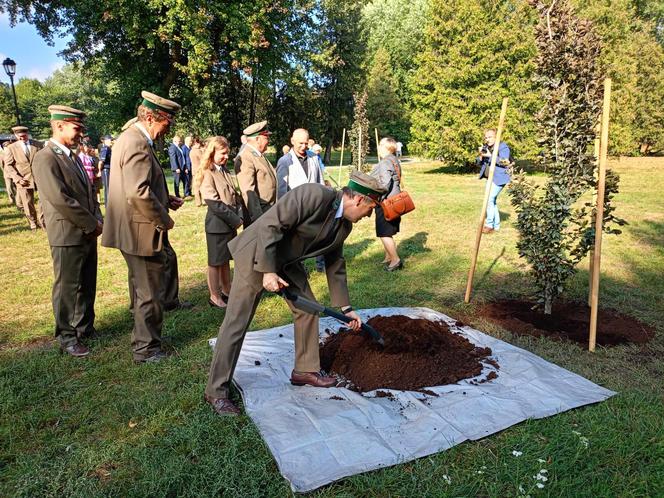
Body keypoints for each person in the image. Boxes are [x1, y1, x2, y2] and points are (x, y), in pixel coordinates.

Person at [204, 171, 386, 416]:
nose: (368, 216)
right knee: (237, 321)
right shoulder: (313, 195)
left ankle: (305, 370)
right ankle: (216, 391)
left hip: (286, 261)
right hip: (258, 253)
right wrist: (267, 271)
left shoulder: (344, 226)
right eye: (371, 209)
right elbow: (270, 225)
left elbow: (335, 263)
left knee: (308, 309)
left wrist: (346, 307)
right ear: (359, 200)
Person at [101, 91, 185, 363]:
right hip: (141, 230)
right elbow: (138, 193)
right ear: (150, 117)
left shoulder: (130, 139)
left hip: (132, 226)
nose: (167, 130)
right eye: (166, 124)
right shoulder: (137, 142)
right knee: (150, 292)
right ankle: (146, 350)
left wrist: (164, 198)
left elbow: (136, 185)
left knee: (143, 288)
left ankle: (145, 340)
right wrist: (163, 218)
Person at [32, 105, 103, 357]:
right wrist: (91, 223)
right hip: (67, 234)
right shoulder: (46, 157)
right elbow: (60, 199)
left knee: (86, 282)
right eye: (76, 128)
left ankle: (84, 327)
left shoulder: (71, 156)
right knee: (67, 287)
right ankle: (66, 335)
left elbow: (88, 193)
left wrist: (96, 216)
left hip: (85, 231)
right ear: (59, 125)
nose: (80, 134)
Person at [198, 136, 244, 309]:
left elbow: (234, 196)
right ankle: (215, 297)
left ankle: (227, 290)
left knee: (225, 260)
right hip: (217, 226)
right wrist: (236, 220)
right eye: (223, 153)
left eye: (227, 153)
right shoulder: (207, 172)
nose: (226, 156)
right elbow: (214, 203)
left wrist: (239, 212)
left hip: (229, 224)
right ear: (212, 152)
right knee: (215, 262)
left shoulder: (223, 170)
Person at [277, 128, 327, 272]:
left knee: (319, 236)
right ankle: (300, 268)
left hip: (315, 207)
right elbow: (282, 189)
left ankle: (321, 265)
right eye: (300, 143)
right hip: (295, 209)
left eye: (306, 143)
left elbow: (320, 181)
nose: (303, 146)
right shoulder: (284, 161)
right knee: (297, 241)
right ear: (292, 141)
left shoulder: (313, 158)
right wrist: (284, 211)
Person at [370, 137, 404, 272]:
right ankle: (389, 256)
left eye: (379, 145)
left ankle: (395, 260)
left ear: (385, 147)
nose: (378, 147)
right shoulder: (394, 159)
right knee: (388, 230)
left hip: (386, 201)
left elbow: (385, 183)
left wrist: (378, 198)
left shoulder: (385, 162)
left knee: (384, 232)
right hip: (396, 200)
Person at [3, 125, 44, 230]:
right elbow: (8, 165)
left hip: (40, 177)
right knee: (27, 203)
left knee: (43, 200)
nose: (22, 138)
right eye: (20, 136)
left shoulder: (38, 145)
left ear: (27, 134)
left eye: (24, 136)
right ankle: (33, 223)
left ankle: (43, 221)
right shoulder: (11, 148)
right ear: (16, 135)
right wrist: (17, 178)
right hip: (23, 180)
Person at [234, 121, 276, 224]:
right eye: (266, 137)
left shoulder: (257, 155)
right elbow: (248, 191)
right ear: (257, 139)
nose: (268, 140)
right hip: (260, 215)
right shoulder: (245, 158)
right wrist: (258, 220)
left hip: (268, 211)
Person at [476, 128, 511, 233]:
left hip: (499, 178)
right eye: (486, 137)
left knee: (489, 199)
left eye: (490, 137)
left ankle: (489, 224)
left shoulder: (503, 147)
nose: (487, 139)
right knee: (492, 201)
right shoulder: (486, 147)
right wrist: (481, 156)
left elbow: (504, 162)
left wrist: (490, 156)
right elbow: (479, 162)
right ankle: (496, 226)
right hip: (489, 178)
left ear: (496, 136)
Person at [189, 136, 205, 206]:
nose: (200, 144)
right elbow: (203, 160)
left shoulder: (191, 151)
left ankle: (198, 202)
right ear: (196, 143)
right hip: (200, 170)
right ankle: (204, 201)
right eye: (199, 143)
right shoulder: (198, 151)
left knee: (196, 187)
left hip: (194, 170)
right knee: (202, 186)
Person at [98, 135, 113, 205]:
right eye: (110, 140)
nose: (112, 141)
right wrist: (99, 171)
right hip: (106, 170)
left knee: (110, 189)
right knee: (107, 189)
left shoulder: (109, 148)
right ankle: (108, 207)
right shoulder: (105, 148)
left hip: (109, 170)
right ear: (106, 141)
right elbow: (101, 161)